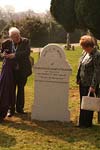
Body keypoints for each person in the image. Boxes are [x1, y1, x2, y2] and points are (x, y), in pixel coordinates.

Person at [2, 27, 32, 117]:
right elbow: (2, 53)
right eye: (15, 36)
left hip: (22, 70)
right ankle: (10, 109)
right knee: (11, 90)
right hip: (11, 71)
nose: (17, 37)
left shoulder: (25, 41)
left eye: (18, 35)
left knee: (21, 89)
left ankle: (20, 109)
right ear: (11, 37)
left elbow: (26, 52)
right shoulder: (7, 43)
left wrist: (14, 55)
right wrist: (3, 54)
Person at [76, 35, 100, 128]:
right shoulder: (85, 52)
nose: (83, 48)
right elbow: (81, 65)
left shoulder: (97, 55)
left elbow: (97, 71)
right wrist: (78, 78)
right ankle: (82, 122)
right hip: (82, 82)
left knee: (89, 103)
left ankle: (87, 123)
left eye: (84, 47)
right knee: (83, 102)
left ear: (89, 46)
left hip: (90, 84)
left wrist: (93, 85)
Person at [0, 37, 16, 123]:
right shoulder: (8, 59)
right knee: (6, 90)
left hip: (7, 73)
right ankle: (3, 110)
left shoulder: (6, 58)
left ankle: (9, 109)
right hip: (7, 75)